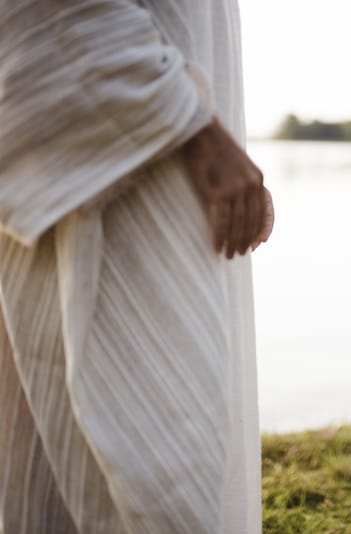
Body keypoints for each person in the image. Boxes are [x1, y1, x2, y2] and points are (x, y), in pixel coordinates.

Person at [0, 1, 273, 532]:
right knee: (147, 469)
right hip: (120, 159)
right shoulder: (179, 129)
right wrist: (197, 131)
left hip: (152, 140)